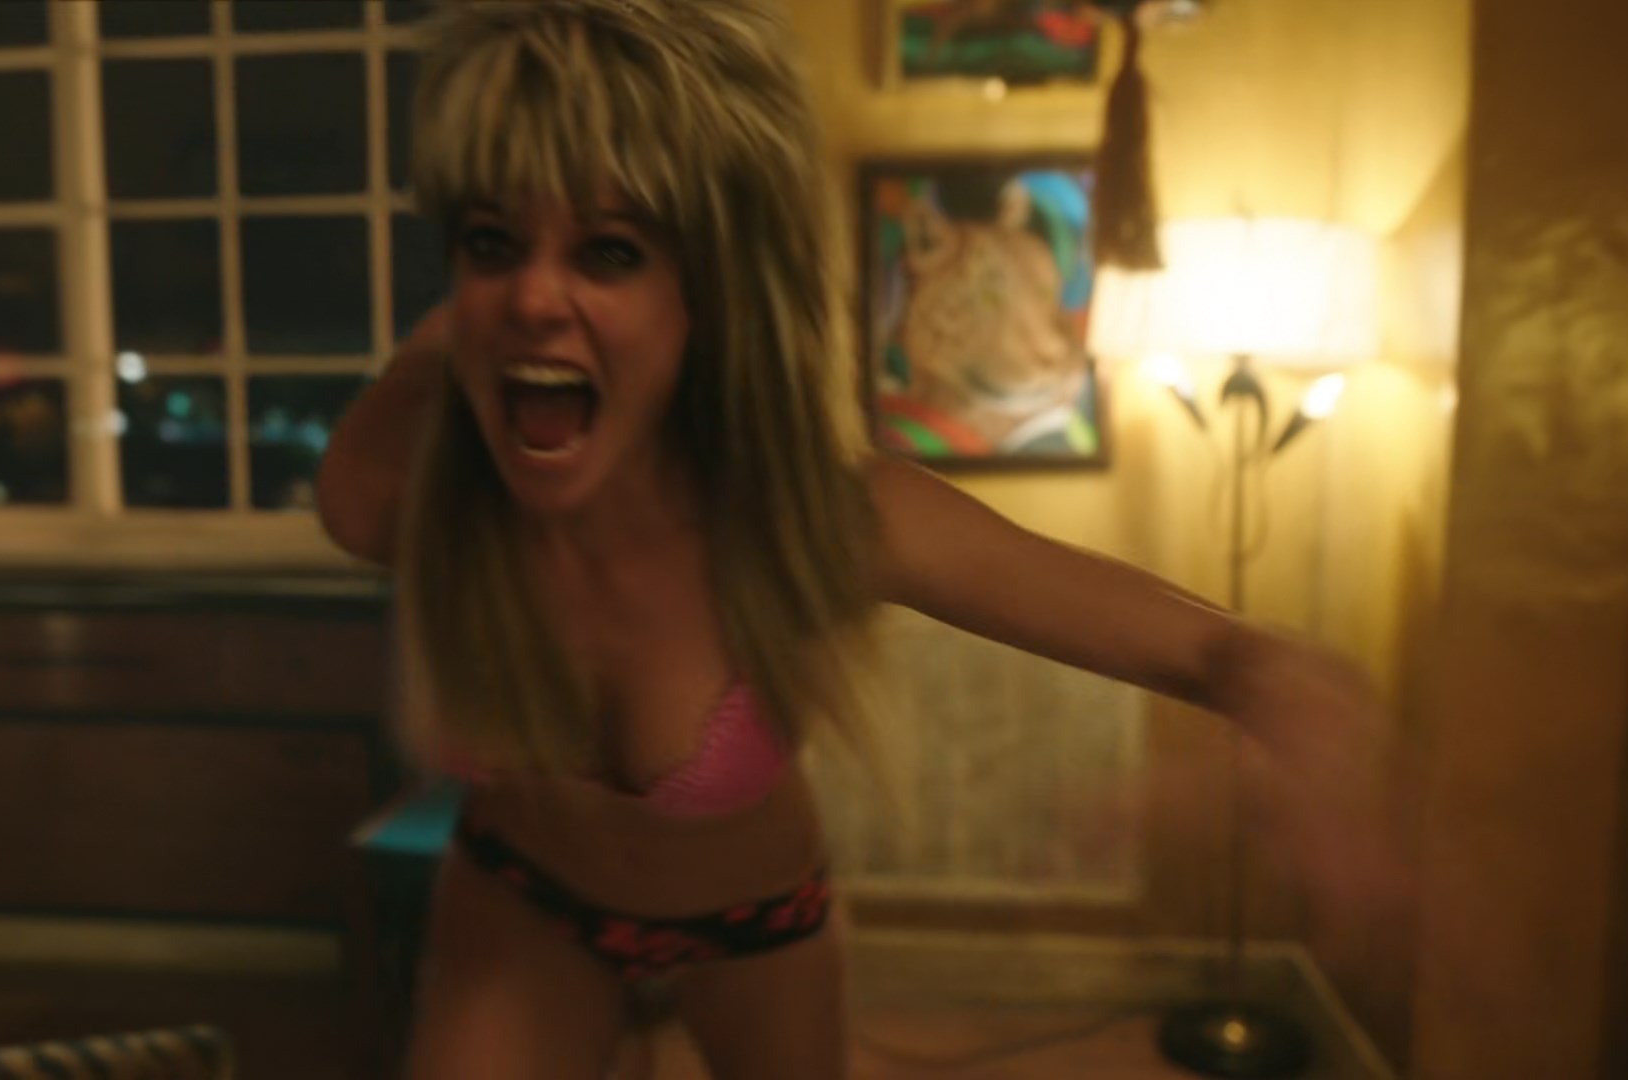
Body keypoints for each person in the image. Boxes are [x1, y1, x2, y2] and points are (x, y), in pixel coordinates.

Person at [318, 1, 1403, 1077]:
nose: (534, 295)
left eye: (609, 252)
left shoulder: (810, 518)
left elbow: (1186, 641)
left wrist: (1277, 681)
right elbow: (348, 507)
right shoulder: (447, 499)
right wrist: (459, 338)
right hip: (523, 903)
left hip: (755, 926)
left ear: (713, 296)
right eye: (492, 242)